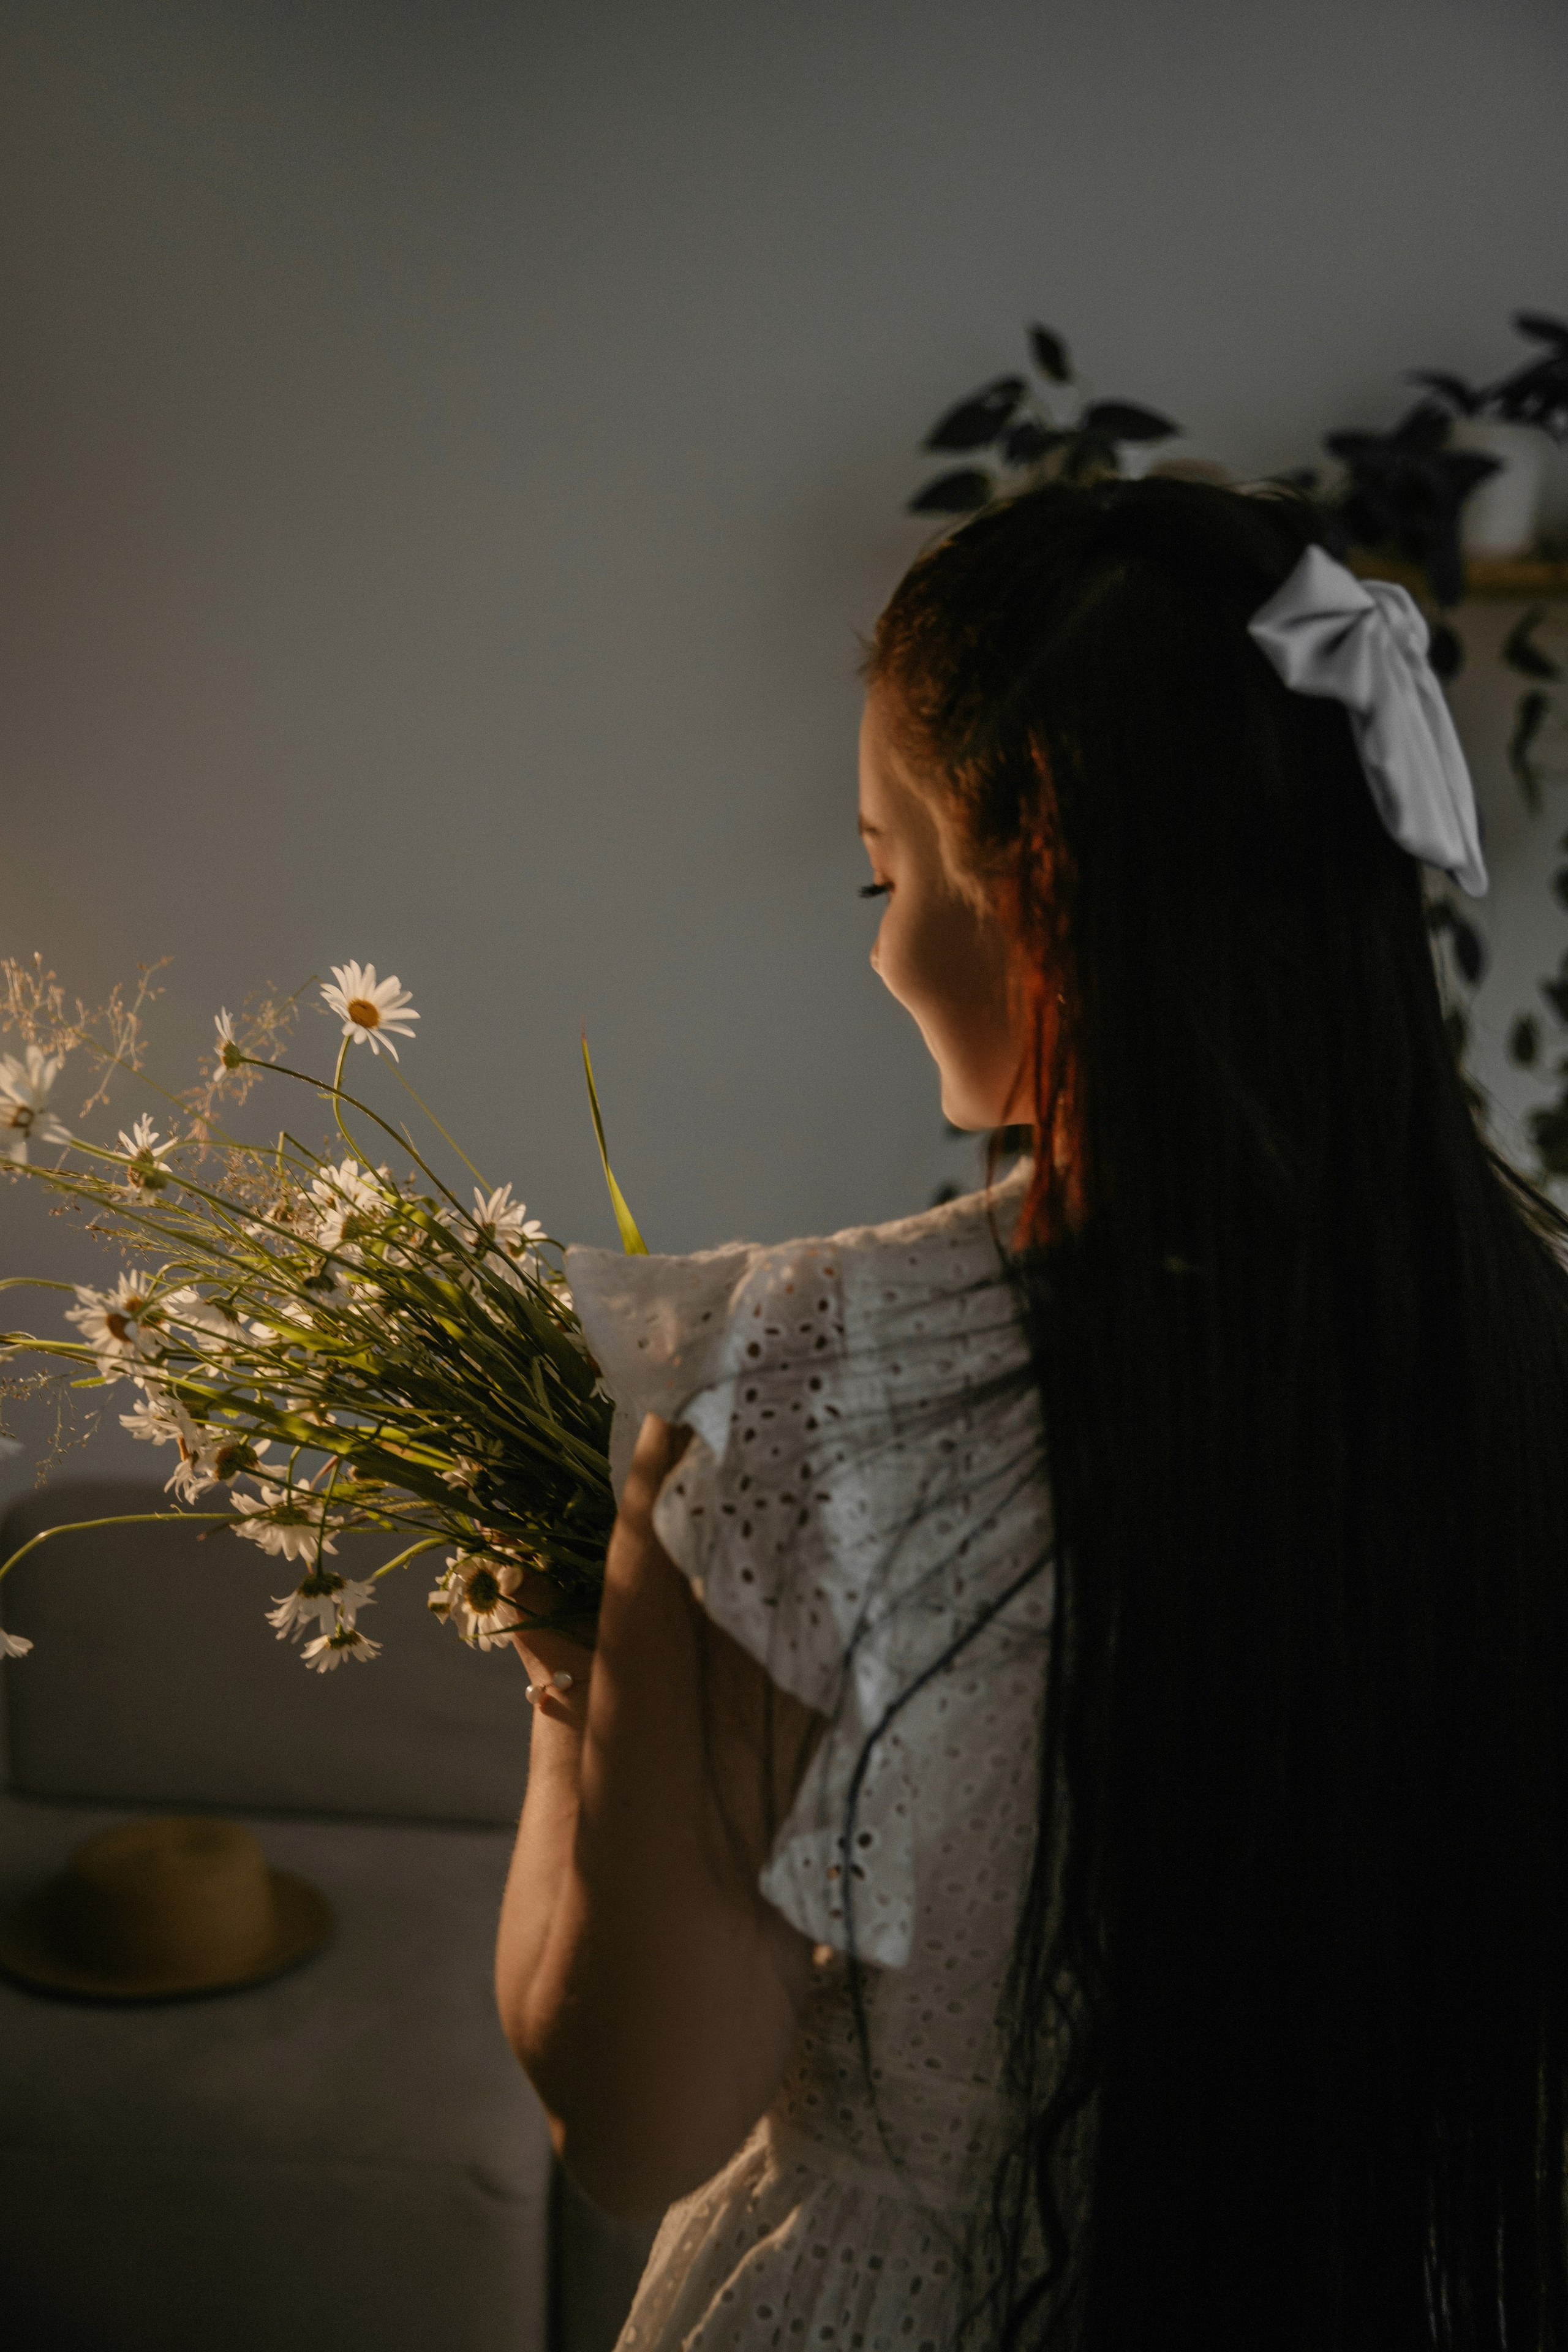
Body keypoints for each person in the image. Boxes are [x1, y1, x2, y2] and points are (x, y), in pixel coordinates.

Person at [494, 475, 1568, 2351]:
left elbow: (635, 2123)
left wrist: (574, 1706)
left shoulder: (805, 1379)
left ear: (1037, 875)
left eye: (881, 870)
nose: (884, 944)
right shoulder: (1534, 1351)